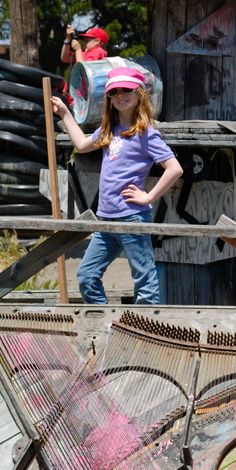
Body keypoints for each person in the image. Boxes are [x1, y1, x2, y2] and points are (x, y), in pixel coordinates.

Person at [51, 66, 183, 304]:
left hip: (132, 218)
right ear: (109, 98)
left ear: (139, 94)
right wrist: (64, 113)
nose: (120, 95)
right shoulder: (109, 130)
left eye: (127, 90)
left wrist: (148, 197)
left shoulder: (145, 132)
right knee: (87, 275)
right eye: (114, 91)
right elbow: (81, 145)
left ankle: (147, 326)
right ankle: (102, 321)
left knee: (145, 281)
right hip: (106, 219)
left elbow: (174, 168)